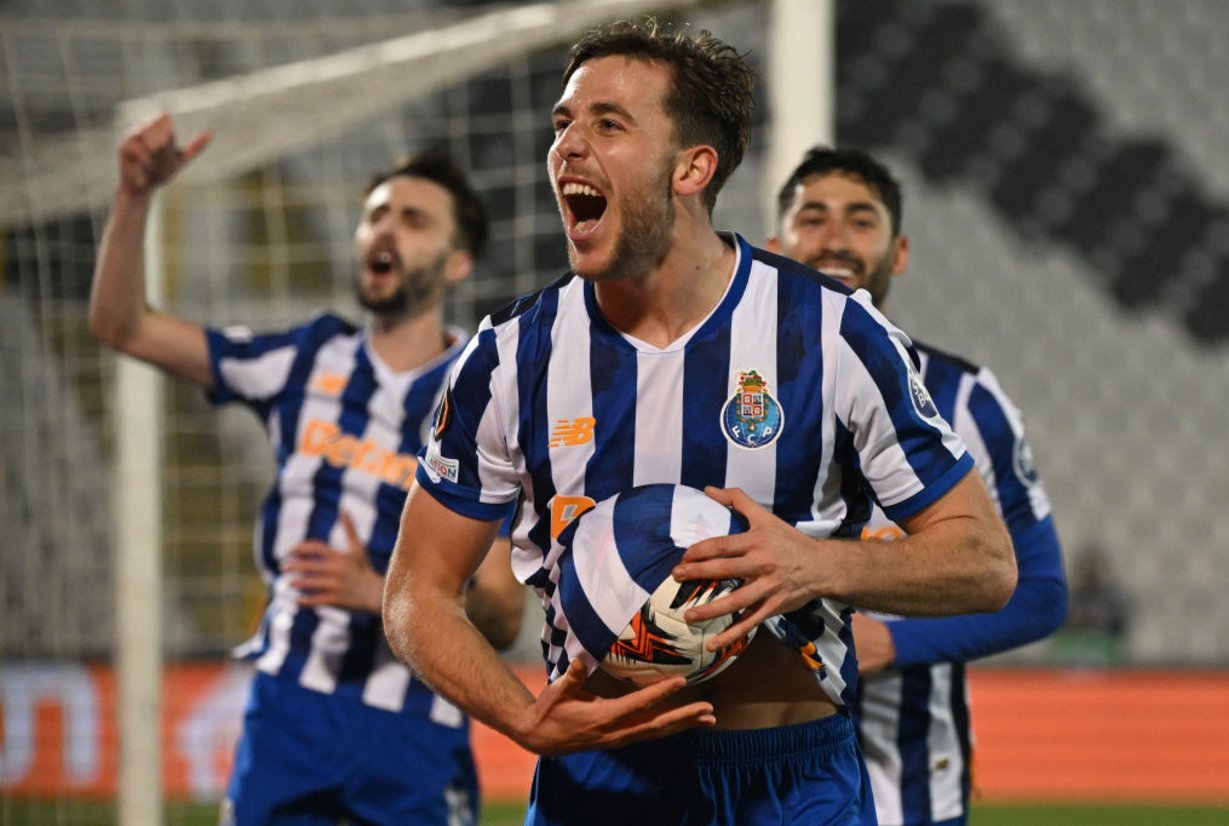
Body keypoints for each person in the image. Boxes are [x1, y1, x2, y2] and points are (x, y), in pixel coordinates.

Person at [382, 18, 1016, 826]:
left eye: (608, 124)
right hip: (600, 786)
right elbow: (417, 590)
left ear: (692, 166)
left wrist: (816, 566)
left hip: (790, 786)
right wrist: (518, 714)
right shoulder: (509, 358)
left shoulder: (831, 331)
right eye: (563, 123)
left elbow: (985, 561)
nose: (569, 146)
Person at [89, 113, 525, 825]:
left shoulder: (486, 396)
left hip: (415, 725)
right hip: (288, 717)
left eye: (413, 220)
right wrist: (134, 198)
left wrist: (386, 597)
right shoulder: (303, 360)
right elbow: (123, 325)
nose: (384, 230)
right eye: (375, 215)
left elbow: (503, 615)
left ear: (457, 264)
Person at [767, 146, 1068, 825]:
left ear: (898, 252)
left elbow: (1041, 592)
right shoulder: (719, 390)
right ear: (773, 247)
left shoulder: (966, 400)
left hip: (907, 781)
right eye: (812, 219)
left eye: (860, 220)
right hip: (748, 768)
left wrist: (896, 644)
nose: (835, 239)